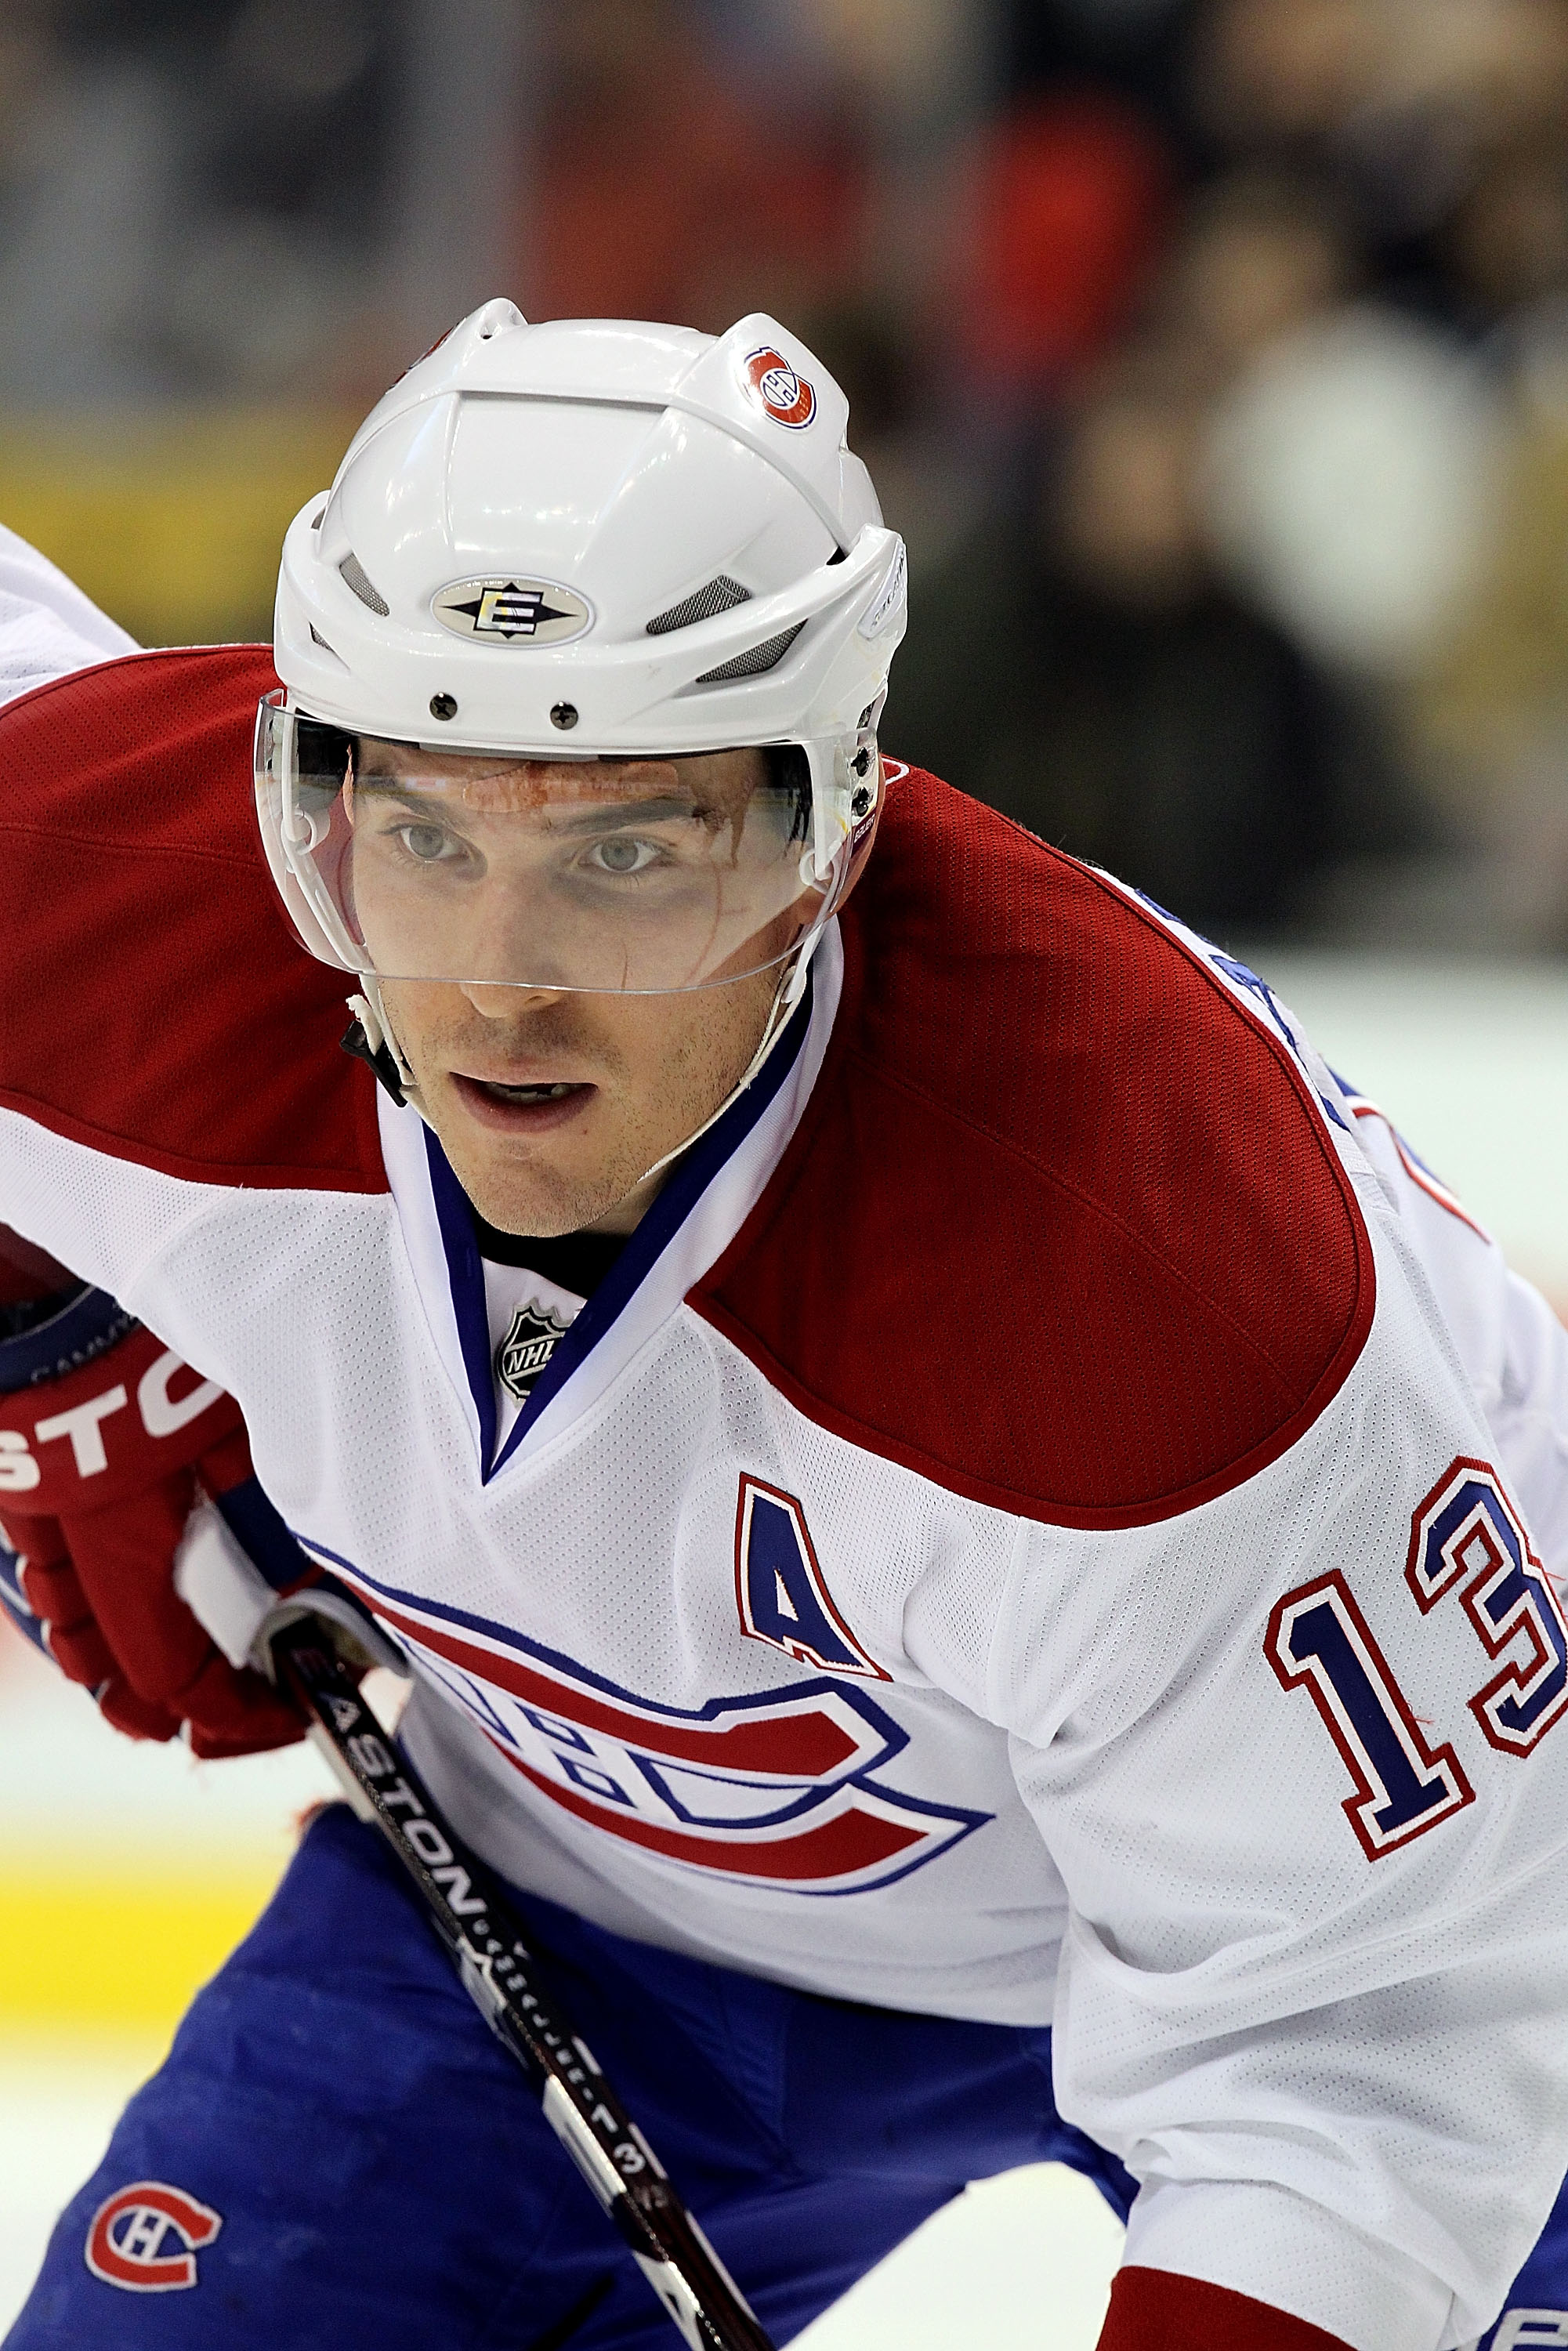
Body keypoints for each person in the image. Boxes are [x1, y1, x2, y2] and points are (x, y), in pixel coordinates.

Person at [2, 300, 1568, 2351]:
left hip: (1376, 1936)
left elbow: (1365, 2081)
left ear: (827, 830)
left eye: (631, 849)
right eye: (421, 831)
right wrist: (40, 1302)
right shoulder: (113, 901)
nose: (497, 986)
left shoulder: (1157, 1286)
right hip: (591, 1921)